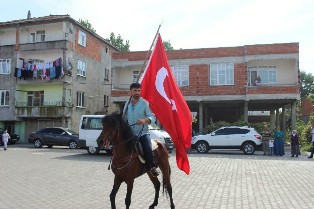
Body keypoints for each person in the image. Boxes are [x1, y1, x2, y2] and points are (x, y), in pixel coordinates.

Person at [123, 82, 159, 176]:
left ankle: (152, 167)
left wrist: (144, 120)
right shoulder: (127, 104)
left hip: (143, 133)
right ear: (130, 91)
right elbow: (124, 119)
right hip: (131, 134)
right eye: (135, 90)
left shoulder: (144, 103)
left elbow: (153, 117)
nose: (137, 92)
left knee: (147, 148)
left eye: (139, 90)